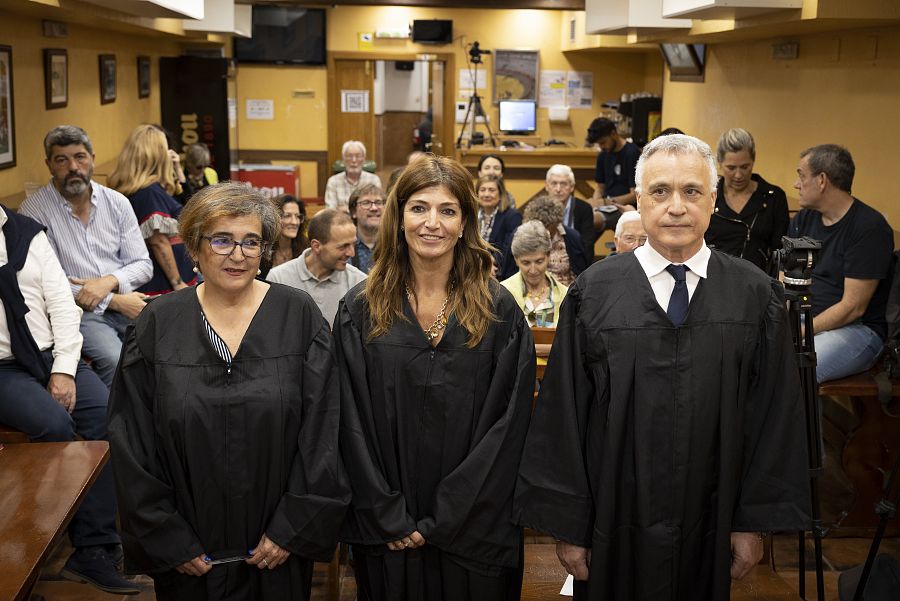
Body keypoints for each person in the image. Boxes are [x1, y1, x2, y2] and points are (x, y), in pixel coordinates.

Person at [515, 134, 811, 601]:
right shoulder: (594, 293)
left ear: (713, 200)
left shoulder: (754, 296)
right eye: (660, 191)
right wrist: (569, 525)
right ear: (639, 199)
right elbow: (563, 415)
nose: (676, 207)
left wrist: (752, 522)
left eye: (691, 191)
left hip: (713, 520)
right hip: (612, 518)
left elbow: (773, 418)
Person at [107, 182, 350, 600]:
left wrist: (292, 527)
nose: (237, 254)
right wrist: (168, 535)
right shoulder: (158, 323)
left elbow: (324, 431)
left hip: (277, 548)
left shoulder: (297, 315)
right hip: (188, 548)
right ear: (194, 247)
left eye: (251, 242)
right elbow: (133, 439)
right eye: (221, 240)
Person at [335, 154, 536, 601]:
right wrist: (385, 511)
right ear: (399, 217)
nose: (432, 223)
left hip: (474, 526)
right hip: (387, 526)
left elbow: (510, 424)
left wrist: (451, 512)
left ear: (465, 223)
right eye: (419, 208)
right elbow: (348, 419)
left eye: (447, 210)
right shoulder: (360, 309)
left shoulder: (498, 312)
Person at [0, 205, 139, 595]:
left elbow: (62, 303)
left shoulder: (26, 232)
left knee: (109, 417)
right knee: (54, 424)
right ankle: (48, 545)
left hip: (51, 354)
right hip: (4, 367)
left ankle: (97, 545)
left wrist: (63, 368)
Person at [20, 125, 152, 387]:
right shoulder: (33, 212)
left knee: (166, 349)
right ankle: (115, 416)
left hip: (128, 300)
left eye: (80, 157)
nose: (73, 167)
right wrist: (114, 301)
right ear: (49, 165)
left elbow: (143, 265)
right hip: (78, 313)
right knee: (116, 360)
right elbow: (49, 283)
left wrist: (109, 281)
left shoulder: (117, 202)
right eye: (61, 160)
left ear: (92, 158)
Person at [788, 144, 894, 383]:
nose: (796, 184)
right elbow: (787, 278)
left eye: (801, 176)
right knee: (749, 354)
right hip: (805, 321)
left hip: (857, 330)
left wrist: (798, 331)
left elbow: (852, 308)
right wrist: (782, 320)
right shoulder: (804, 219)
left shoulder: (869, 228)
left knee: (794, 370)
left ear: (822, 180)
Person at [108, 124, 198, 297]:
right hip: (165, 287)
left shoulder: (142, 190)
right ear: (157, 155)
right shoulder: (149, 192)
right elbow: (158, 241)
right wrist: (177, 282)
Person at [704, 128, 789, 271]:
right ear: (719, 163)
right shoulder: (708, 194)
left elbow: (781, 251)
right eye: (731, 168)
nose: (738, 175)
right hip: (713, 275)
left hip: (760, 278)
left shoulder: (773, 197)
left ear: (753, 160)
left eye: (745, 167)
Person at [267, 208, 366, 328]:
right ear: (316, 246)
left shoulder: (359, 283)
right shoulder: (278, 279)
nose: (351, 253)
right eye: (343, 246)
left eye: (353, 244)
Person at [502, 195, 587, 285]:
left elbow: (582, 271)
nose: (545, 232)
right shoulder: (520, 236)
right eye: (541, 227)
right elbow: (509, 272)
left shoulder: (572, 237)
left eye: (549, 227)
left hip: (568, 289)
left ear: (557, 223)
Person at [501, 220, 567, 328]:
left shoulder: (564, 294)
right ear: (516, 259)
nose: (533, 270)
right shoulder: (503, 292)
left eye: (539, 262)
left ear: (548, 256)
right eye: (526, 263)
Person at [586, 117, 640, 233]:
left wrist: (606, 202)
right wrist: (595, 203)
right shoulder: (603, 155)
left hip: (626, 207)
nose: (601, 147)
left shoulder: (631, 153)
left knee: (591, 221)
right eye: (599, 144)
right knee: (581, 215)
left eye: (603, 142)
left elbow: (635, 194)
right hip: (607, 205)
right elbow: (600, 188)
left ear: (613, 134)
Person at [545, 164, 596, 262]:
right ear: (547, 186)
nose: (558, 189)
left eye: (563, 184)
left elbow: (587, 247)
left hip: (575, 262)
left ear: (572, 187)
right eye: (554, 183)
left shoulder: (584, 209)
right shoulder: (538, 209)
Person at [476, 174, 522, 274]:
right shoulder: (471, 215)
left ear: (500, 194)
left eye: (491, 190)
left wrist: (488, 263)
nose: (486, 194)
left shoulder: (512, 216)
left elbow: (509, 249)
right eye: (482, 190)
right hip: (473, 265)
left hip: (500, 271)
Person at [325, 140, 382, 211]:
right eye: (349, 156)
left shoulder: (374, 180)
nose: (354, 160)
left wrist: (343, 209)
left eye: (358, 156)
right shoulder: (333, 181)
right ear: (343, 159)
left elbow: (377, 207)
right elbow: (330, 211)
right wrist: (363, 208)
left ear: (364, 159)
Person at [261, 194, 308, 278]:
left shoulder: (306, 248)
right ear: (274, 218)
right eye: (287, 216)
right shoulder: (263, 249)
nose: (294, 222)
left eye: (297, 216)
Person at [348, 183, 385, 274]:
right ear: (354, 212)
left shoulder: (395, 244)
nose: (374, 208)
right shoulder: (345, 246)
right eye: (366, 203)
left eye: (378, 202)